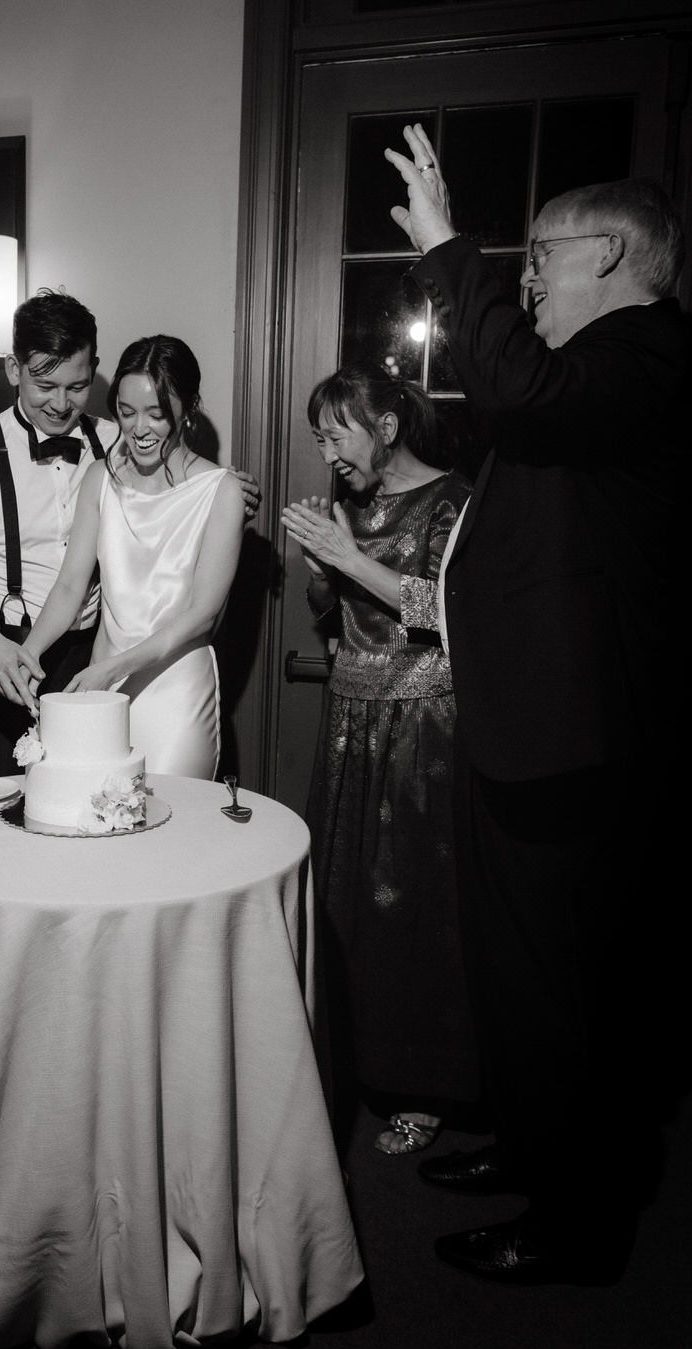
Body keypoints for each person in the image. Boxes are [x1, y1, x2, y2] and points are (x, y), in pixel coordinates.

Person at [384, 126, 688, 1282]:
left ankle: (574, 1220)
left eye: (543, 259)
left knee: (571, 983)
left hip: (582, 737)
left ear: (611, 255)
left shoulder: (648, 352)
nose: (526, 279)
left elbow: (517, 377)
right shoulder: (581, 381)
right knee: (516, 968)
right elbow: (501, 398)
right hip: (525, 726)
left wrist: (448, 240)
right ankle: (525, 1145)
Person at [0, 291, 260, 775]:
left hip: (102, 657)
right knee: (11, 809)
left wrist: (229, 495)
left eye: (78, 386)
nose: (61, 404)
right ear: (13, 369)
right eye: (45, 385)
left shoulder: (115, 438)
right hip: (14, 649)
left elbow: (179, 467)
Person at [281, 363, 477, 1156]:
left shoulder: (454, 501)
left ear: (385, 427)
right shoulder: (349, 508)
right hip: (348, 719)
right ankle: (343, 1065)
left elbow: (445, 609)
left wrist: (349, 558)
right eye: (319, 437)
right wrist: (324, 574)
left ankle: (422, 1088)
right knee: (341, 901)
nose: (328, 452)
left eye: (336, 433)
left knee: (413, 911)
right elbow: (333, 612)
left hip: (421, 728)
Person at [9, 335, 245, 777]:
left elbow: (201, 617)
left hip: (176, 690)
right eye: (126, 411)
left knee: (170, 824)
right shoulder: (100, 478)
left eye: (157, 415)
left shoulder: (221, 490)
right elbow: (69, 585)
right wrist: (30, 652)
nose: (139, 429)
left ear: (188, 409)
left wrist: (112, 669)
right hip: (105, 686)